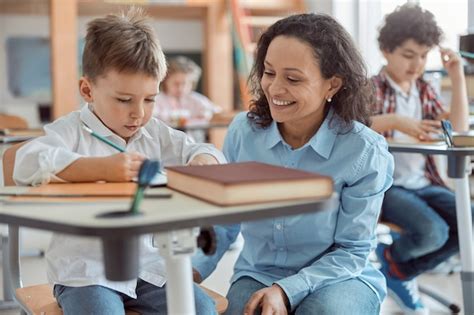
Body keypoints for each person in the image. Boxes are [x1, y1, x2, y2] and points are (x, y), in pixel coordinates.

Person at [13, 8, 224, 315]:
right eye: (124, 100)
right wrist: (99, 169)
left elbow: (203, 151)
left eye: (150, 99)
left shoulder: (155, 133)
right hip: (85, 274)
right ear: (87, 90)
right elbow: (25, 162)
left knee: (200, 310)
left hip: (149, 271)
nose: (138, 113)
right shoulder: (70, 131)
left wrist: (203, 160)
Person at [193, 13, 394, 315]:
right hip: (259, 273)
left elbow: (352, 251)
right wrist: (192, 271)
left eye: (293, 79)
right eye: (269, 72)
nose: (274, 88)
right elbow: (224, 222)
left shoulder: (363, 151)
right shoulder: (243, 133)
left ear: (332, 85)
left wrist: (286, 291)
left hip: (340, 279)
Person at [370, 4, 472, 314]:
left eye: (423, 56)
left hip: (424, 182)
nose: (417, 64)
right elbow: (354, 126)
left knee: (468, 226)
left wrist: (456, 75)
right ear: (386, 51)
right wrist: (396, 122)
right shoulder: (371, 87)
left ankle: (396, 266)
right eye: (408, 55)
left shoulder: (424, 88)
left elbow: (457, 128)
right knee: (434, 232)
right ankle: (396, 264)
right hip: (389, 187)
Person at [154, 56, 221, 127]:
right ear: (165, 81)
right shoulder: (157, 100)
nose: (180, 88)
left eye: (184, 83)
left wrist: (207, 116)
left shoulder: (197, 100)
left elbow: (217, 113)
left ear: (192, 83)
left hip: (193, 138)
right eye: (176, 83)